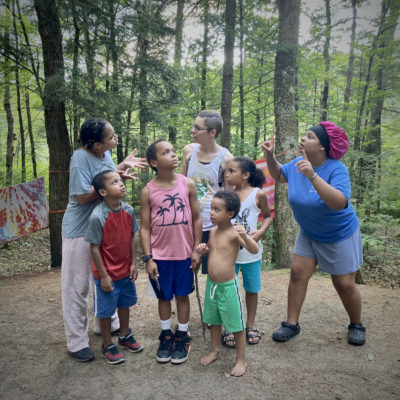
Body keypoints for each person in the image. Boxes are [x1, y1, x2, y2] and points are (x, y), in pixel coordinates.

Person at [261, 121, 366, 346]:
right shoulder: (299, 162)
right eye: (305, 135)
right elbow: (279, 175)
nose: (303, 139)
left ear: (322, 147)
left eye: (310, 136)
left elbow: (339, 203)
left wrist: (313, 176)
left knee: (344, 284)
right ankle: (291, 324)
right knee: (297, 273)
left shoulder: (336, 169)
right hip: (309, 231)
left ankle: (356, 324)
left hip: (339, 233)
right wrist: (270, 155)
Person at [61, 118, 146, 362]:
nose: (115, 138)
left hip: (105, 225)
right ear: (96, 144)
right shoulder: (79, 158)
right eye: (110, 137)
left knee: (106, 274)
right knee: (77, 285)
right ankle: (76, 341)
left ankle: (106, 324)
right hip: (80, 228)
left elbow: (102, 179)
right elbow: (81, 196)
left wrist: (116, 173)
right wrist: (113, 179)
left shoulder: (104, 155)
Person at [139, 139, 202, 364]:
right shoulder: (148, 190)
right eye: (166, 152)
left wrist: (196, 250)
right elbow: (144, 227)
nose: (174, 155)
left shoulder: (188, 184)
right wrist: (148, 258)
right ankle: (166, 335)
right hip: (160, 256)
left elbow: (196, 218)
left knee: (182, 295)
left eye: (174, 151)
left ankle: (182, 334)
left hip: (184, 253)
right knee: (163, 296)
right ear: (154, 162)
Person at [197, 190, 259, 377]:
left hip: (228, 287)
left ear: (230, 214)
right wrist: (204, 250)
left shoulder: (235, 232)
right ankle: (215, 351)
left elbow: (254, 249)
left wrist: (246, 236)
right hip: (212, 286)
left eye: (217, 209)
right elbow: (214, 253)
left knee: (236, 326)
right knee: (214, 322)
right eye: (212, 209)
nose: (212, 213)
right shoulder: (213, 232)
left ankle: (241, 359)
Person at [85, 170, 143, 364]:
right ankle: (107, 343)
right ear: (103, 192)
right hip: (107, 274)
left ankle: (125, 335)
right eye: (115, 182)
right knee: (105, 310)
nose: (122, 184)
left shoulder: (128, 210)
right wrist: (103, 276)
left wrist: (134, 263)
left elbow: (132, 238)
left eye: (121, 181)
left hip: (125, 270)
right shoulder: (97, 216)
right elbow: (94, 247)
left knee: (125, 304)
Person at [220, 157, 272, 347]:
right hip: (230, 254)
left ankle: (250, 325)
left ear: (246, 175)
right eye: (227, 171)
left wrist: (260, 232)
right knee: (229, 291)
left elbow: (267, 217)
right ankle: (229, 327)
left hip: (251, 253)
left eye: (232, 171)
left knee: (251, 289)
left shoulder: (258, 194)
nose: (227, 174)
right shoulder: (227, 195)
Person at [182, 110, 233, 274]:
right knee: (187, 274)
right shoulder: (188, 152)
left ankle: (213, 301)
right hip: (188, 224)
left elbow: (229, 198)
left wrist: (226, 229)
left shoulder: (226, 159)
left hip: (213, 226)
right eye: (193, 126)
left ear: (212, 132)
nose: (193, 131)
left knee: (214, 274)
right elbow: (181, 187)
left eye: (197, 128)